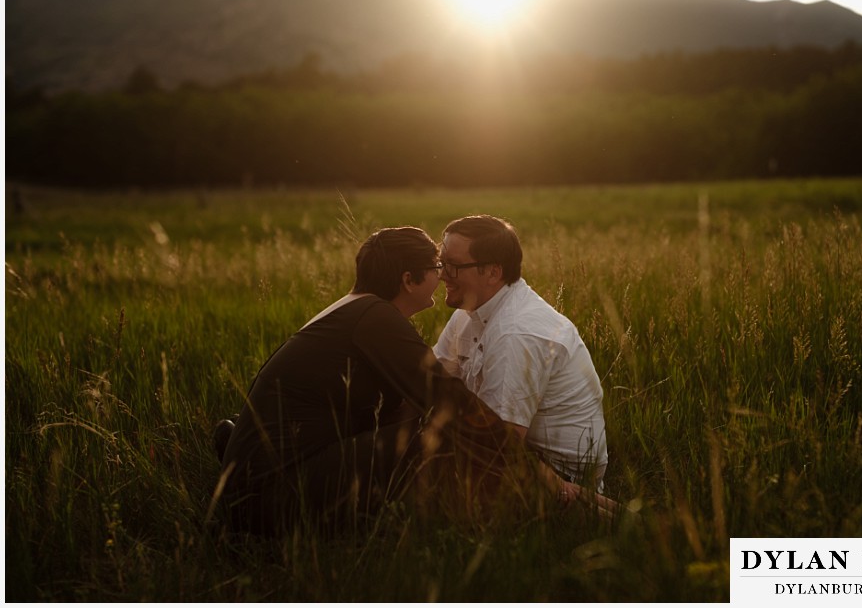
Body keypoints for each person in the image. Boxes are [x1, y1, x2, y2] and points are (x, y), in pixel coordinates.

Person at [214, 226, 608, 536]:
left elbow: (409, 402)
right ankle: (563, 505)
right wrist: (544, 476)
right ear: (408, 279)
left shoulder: (354, 310)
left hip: (265, 487)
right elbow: (450, 400)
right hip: (273, 499)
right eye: (438, 269)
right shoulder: (375, 319)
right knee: (433, 433)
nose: (443, 278)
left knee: (426, 429)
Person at [433, 215, 608, 489]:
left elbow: (500, 444)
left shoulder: (516, 333)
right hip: (512, 454)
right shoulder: (470, 311)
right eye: (441, 262)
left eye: (453, 266)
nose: (442, 274)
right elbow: (432, 381)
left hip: (557, 476)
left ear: (493, 272)